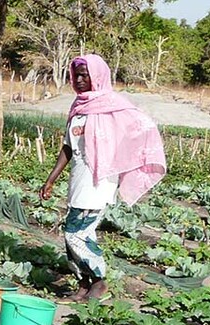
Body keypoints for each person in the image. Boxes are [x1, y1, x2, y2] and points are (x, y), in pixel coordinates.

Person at [40, 54, 166, 303]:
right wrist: (51, 179)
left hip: (99, 180)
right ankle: (83, 285)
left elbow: (142, 126)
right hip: (79, 178)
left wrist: (126, 159)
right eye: (76, 75)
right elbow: (68, 147)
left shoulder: (113, 106)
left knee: (75, 232)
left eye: (84, 75)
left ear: (97, 76)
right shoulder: (79, 107)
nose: (79, 79)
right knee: (79, 234)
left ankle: (100, 280)